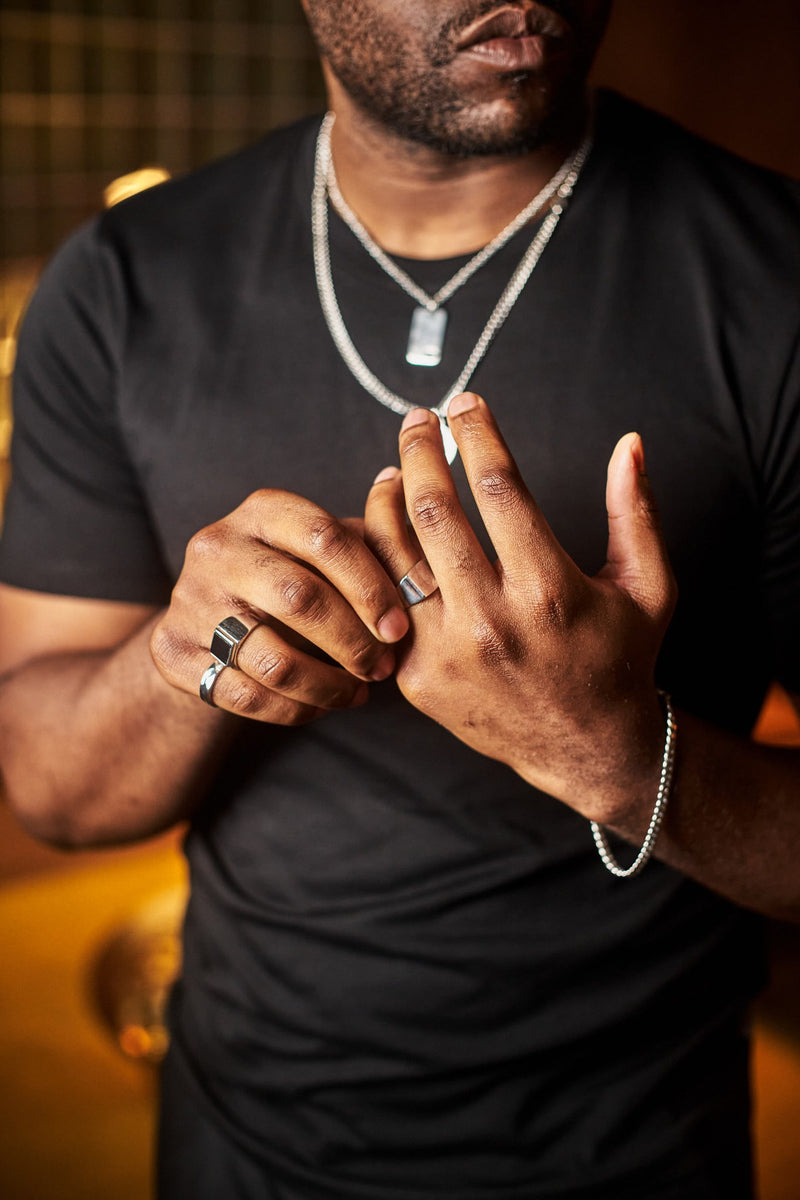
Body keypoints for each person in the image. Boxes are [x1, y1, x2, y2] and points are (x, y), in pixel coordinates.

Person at [1, 0, 799, 1196]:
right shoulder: (126, 282)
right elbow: (49, 788)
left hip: (637, 1151)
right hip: (242, 1145)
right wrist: (181, 663)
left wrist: (620, 756)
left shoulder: (775, 280)